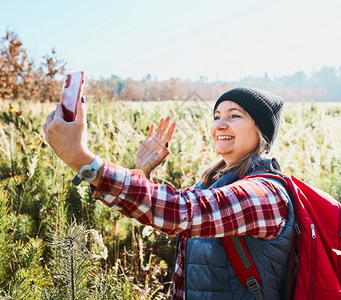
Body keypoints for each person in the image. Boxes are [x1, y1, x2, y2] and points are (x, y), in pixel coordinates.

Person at [43, 87, 294, 299]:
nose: (220, 125)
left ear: (260, 130)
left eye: (234, 115)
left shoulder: (263, 194)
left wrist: (84, 162)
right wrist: (142, 174)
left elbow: (183, 212)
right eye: (216, 117)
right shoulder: (213, 183)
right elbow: (170, 214)